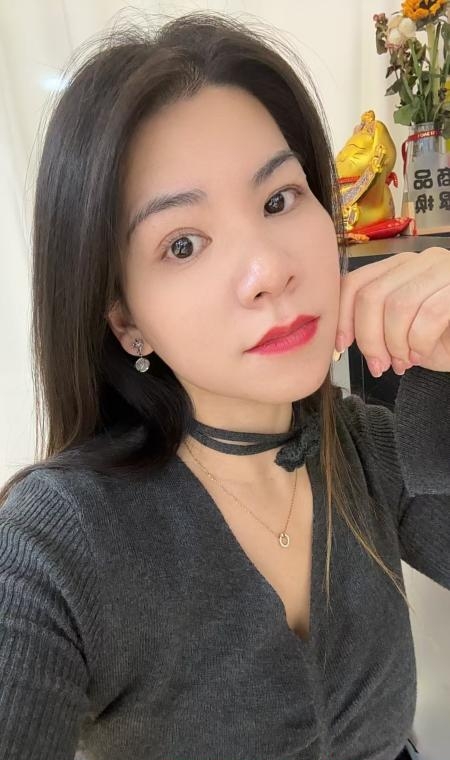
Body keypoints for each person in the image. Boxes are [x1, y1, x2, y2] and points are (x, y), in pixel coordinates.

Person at [0, 10, 449, 760]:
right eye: (183, 244)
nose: (269, 269)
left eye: (279, 200)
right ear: (125, 320)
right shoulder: (57, 542)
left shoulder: (372, 450)